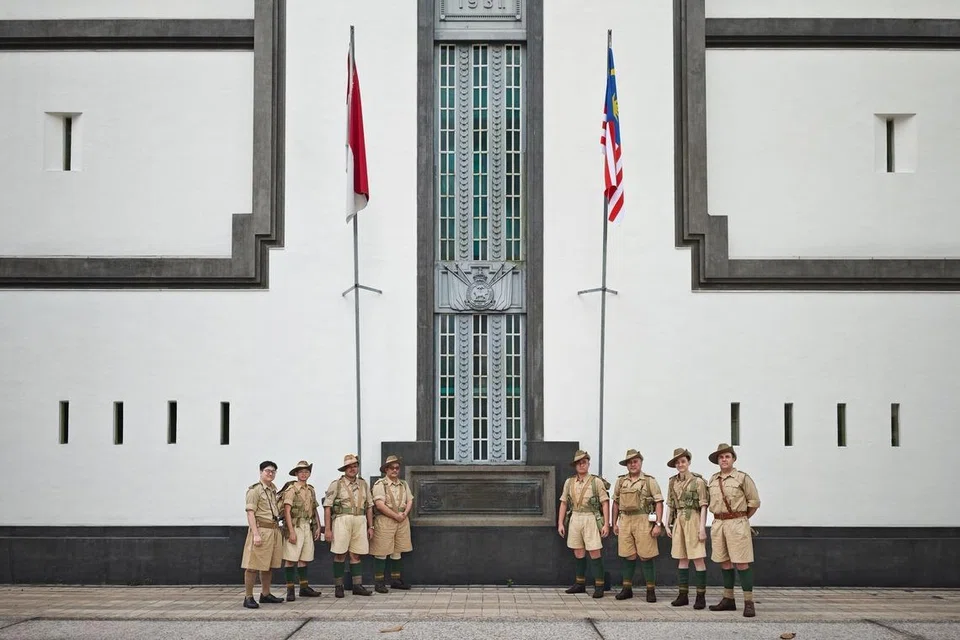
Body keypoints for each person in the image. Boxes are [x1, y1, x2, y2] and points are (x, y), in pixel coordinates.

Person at [706, 442, 761, 617]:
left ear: (733, 459)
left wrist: (741, 519)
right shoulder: (713, 479)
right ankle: (728, 599)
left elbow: (754, 503)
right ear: (717, 461)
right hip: (718, 524)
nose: (724, 459)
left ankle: (748, 601)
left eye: (727, 456)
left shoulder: (743, 478)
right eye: (721, 457)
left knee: (742, 562)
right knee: (725, 562)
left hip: (737, 523)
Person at [611, 449, 663, 602]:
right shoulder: (621, 481)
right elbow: (616, 503)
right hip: (625, 520)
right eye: (629, 462)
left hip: (643, 519)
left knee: (646, 555)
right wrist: (614, 523)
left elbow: (659, 502)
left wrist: (658, 524)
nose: (632, 464)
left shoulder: (649, 481)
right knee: (628, 555)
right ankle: (627, 589)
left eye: (635, 461)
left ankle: (650, 590)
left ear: (640, 462)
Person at [557, 450, 610, 598]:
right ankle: (580, 583)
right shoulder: (569, 482)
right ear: (575, 465)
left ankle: (599, 585)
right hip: (575, 517)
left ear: (588, 464)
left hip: (591, 517)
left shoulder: (596, 481)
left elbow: (605, 503)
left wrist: (606, 524)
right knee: (578, 550)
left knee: (594, 551)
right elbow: (563, 503)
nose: (581, 465)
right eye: (578, 463)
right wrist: (560, 523)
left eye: (584, 462)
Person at [323, 453, 375, 598]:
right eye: (349, 466)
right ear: (344, 469)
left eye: (355, 466)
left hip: (360, 519)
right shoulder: (337, 484)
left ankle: (357, 585)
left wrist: (371, 527)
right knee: (340, 553)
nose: (352, 469)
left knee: (356, 554)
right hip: (342, 519)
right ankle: (338, 586)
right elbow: (327, 506)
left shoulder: (363, 484)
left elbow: (369, 506)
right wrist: (327, 529)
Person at [663, 447, 709, 609]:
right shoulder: (672, 482)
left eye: (683, 461)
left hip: (694, 519)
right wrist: (666, 523)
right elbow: (670, 504)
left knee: (697, 558)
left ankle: (700, 597)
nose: (680, 464)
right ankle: (683, 595)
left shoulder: (698, 482)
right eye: (677, 462)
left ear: (688, 462)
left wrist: (702, 527)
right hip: (679, 520)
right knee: (682, 557)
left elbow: (704, 505)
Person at [241, 460, 285, 609]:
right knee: (252, 565)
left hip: (273, 530)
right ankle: (248, 597)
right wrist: (255, 534)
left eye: (273, 471)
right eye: (267, 470)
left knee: (268, 565)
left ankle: (265, 594)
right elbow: (250, 513)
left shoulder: (273, 490)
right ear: (261, 472)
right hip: (261, 530)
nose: (270, 473)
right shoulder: (255, 490)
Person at [370, 455, 415, 592]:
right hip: (385, 520)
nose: (395, 470)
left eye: (397, 468)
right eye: (392, 468)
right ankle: (379, 582)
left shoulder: (404, 484)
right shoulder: (380, 484)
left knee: (397, 550)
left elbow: (410, 500)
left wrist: (404, 514)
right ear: (386, 470)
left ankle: (396, 580)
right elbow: (379, 505)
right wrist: (396, 516)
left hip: (402, 519)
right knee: (382, 551)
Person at [279, 460, 322, 601]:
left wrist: (318, 526)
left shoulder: (310, 489)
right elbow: (287, 511)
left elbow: (314, 509)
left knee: (304, 558)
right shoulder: (291, 490)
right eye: (301, 471)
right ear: (296, 473)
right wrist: (291, 531)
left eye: (306, 471)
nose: (304, 474)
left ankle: (304, 587)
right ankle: (290, 589)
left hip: (307, 526)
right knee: (291, 558)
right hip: (295, 525)